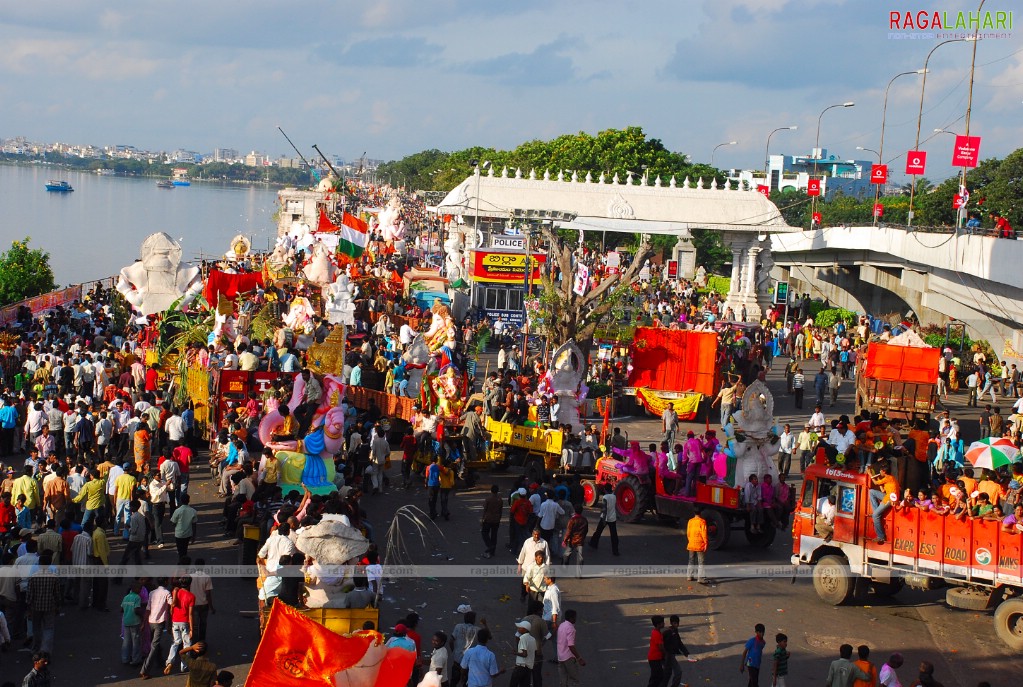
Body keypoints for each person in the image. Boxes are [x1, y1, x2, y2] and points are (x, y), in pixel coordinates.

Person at [165, 576, 195, 675]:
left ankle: (169, 662)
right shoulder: (191, 596)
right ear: (190, 584)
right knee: (186, 644)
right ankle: (184, 666)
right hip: (184, 622)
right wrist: (191, 629)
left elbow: (172, 607)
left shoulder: (176, 592)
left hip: (175, 622)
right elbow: (190, 614)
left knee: (175, 642)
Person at [869, 466, 899, 544]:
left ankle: (881, 536)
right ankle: (877, 513)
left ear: (884, 471)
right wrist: (879, 479)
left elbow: (875, 483)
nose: (880, 473)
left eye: (880, 471)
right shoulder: (890, 478)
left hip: (890, 498)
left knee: (874, 516)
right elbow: (882, 490)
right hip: (887, 495)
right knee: (871, 492)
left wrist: (870, 474)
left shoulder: (888, 478)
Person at [588, 483, 619, 555]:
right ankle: (615, 550)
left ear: (605, 490)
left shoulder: (605, 497)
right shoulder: (614, 496)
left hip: (605, 517)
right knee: (614, 535)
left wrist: (604, 520)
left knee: (598, 532)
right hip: (612, 517)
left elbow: (605, 509)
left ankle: (593, 544)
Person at [660, 614, 691, 687]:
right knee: (677, 672)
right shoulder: (667, 632)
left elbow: (679, 642)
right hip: (667, 656)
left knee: (668, 673)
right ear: (671, 623)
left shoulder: (675, 631)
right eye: (674, 623)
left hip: (670, 655)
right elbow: (662, 644)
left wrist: (686, 653)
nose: (676, 625)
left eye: (677, 623)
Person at [556, 609, 585, 687]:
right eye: (575, 617)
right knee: (575, 679)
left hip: (560, 656)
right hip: (568, 657)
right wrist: (579, 658)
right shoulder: (571, 628)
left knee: (563, 679)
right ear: (572, 618)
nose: (575, 619)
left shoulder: (561, 625)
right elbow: (571, 645)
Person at [120, 581, 144, 666]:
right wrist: (142, 615)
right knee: (136, 641)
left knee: (126, 641)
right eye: (140, 589)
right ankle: (136, 659)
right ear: (135, 589)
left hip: (126, 621)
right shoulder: (137, 597)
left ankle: (125, 658)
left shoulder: (126, 597)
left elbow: (121, 609)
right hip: (135, 622)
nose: (141, 590)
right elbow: (136, 609)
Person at [169, 493, 198, 563]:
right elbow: (194, 524)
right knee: (185, 549)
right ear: (189, 501)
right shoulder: (193, 511)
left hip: (179, 534)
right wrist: (193, 536)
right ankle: (184, 562)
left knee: (180, 551)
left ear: (181, 501)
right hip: (188, 534)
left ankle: (181, 563)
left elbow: (173, 522)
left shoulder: (177, 511)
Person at [561, 504, 588, 578]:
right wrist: (582, 538)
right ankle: (578, 574)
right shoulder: (584, 520)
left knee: (566, 554)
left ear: (575, 511)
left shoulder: (572, 520)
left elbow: (568, 531)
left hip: (571, 541)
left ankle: (564, 569)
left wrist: (565, 540)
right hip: (580, 541)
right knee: (580, 557)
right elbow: (586, 531)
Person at [509, 621, 537, 687]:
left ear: (524, 629)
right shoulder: (533, 639)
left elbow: (525, 654)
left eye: (520, 628)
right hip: (529, 667)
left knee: (513, 684)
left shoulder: (522, 638)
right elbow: (534, 651)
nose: (518, 629)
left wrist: (515, 653)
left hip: (521, 666)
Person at [686, 509, 708, 583]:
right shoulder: (702, 521)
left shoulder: (690, 521)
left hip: (691, 544)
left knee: (691, 560)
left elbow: (688, 533)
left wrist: (690, 541)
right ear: (700, 513)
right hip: (699, 544)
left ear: (694, 513)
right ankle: (700, 578)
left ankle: (689, 576)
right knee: (701, 562)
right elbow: (704, 533)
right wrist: (705, 543)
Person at [739, 623, 766, 687]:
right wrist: (742, 664)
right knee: (755, 682)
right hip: (750, 664)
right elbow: (744, 652)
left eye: (763, 632)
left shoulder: (763, 642)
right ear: (756, 632)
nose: (761, 634)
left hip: (757, 664)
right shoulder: (752, 641)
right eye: (760, 632)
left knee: (752, 681)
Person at [480, 484, 502, 559]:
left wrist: (482, 519)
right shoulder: (500, 500)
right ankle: (492, 551)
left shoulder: (488, 499)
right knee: (494, 535)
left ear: (491, 491)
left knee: (484, 533)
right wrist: (499, 518)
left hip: (488, 519)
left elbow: (485, 510)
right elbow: (500, 510)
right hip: (496, 520)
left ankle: (490, 546)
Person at [647, 615, 665, 687]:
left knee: (656, 676)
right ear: (658, 625)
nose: (664, 624)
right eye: (662, 623)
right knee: (657, 677)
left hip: (655, 658)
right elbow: (661, 647)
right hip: (654, 658)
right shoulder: (657, 634)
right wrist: (665, 654)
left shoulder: (656, 632)